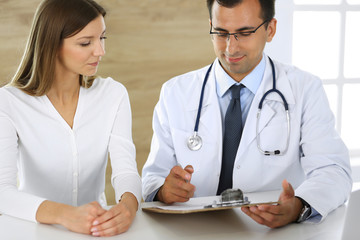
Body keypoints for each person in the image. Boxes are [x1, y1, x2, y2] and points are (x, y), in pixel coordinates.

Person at [142, 0, 352, 228]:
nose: (231, 48)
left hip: (272, 232)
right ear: (211, 26)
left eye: (245, 33)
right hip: (193, 229)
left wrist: (299, 206)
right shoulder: (176, 92)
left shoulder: (304, 89)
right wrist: (164, 190)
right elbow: (153, 176)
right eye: (221, 33)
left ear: (270, 29)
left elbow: (333, 171)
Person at [0, 0, 141, 237]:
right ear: (52, 44)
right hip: (34, 232)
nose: (100, 51)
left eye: (102, 38)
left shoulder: (113, 95)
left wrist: (128, 207)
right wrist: (65, 215)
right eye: (86, 43)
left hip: (96, 232)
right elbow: (2, 193)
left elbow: (126, 171)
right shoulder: (9, 102)